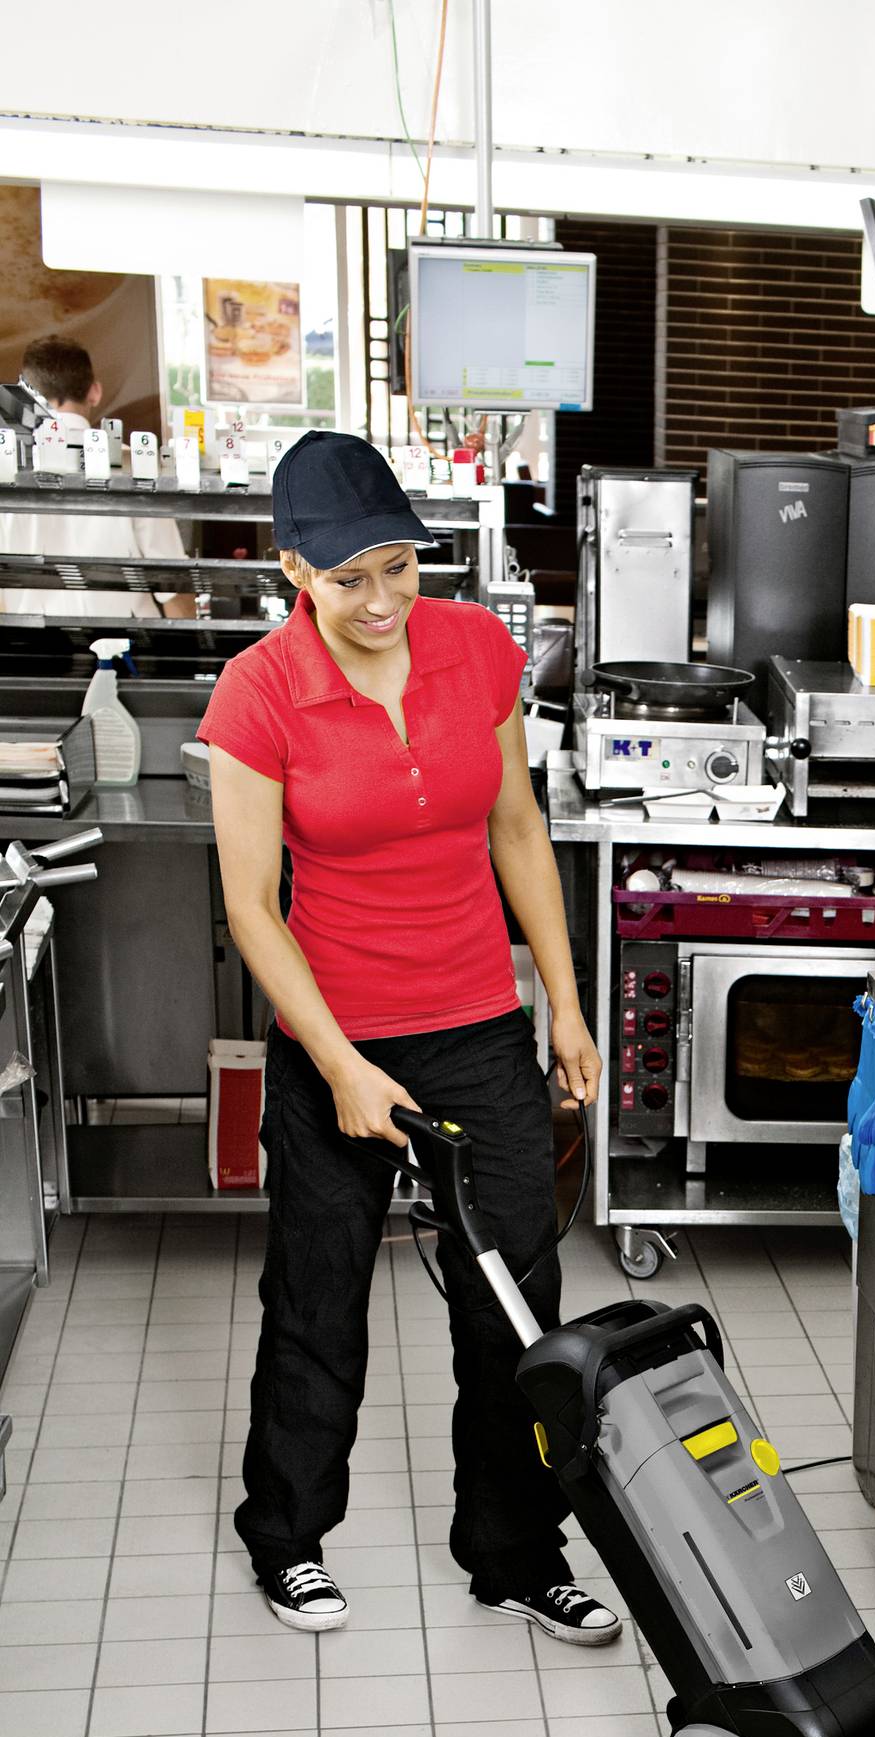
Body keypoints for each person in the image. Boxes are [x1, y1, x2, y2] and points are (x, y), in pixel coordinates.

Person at [201, 429, 619, 1644]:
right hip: (333, 1035)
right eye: (350, 579)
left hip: (477, 1028)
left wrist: (565, 1008)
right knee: (319, 1303)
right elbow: (249, 906)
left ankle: (514, 1550)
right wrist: (336, 1063)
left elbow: (517, 833)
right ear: (296, 573)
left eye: (400, 567)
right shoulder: (260, 693)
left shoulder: (475, 649)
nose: (382, 600)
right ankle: (286, 1540)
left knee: (513, 1304)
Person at [0, 337, 193, 619]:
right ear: (95, 392)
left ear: (26, 395)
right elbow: (172, 581)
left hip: (35, 649)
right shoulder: (132, 462)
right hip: (130, 649)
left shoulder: (7, 466)